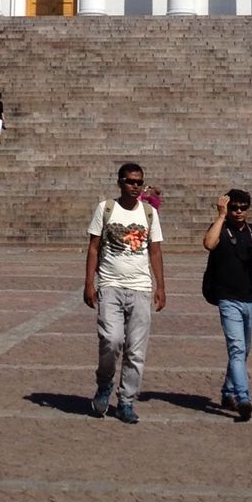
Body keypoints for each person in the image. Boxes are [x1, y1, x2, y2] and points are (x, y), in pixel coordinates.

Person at [84, 162, 166, 423]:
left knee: (136, 349)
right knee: (111, 340)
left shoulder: (150, 212)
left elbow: (155, 250)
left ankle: (127, 401)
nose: (135, 186)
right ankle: (105, 383)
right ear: (120, 182)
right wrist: (89, 283)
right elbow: (94, 247)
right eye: (130, 181)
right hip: (110, 285)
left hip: (140, 287)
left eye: (139, 182)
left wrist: (160, 286)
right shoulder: (106, 209)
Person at [202, 188, 252, 421]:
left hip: (251, 298)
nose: (239, 211)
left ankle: (228, 391)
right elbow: (209, 244)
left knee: (243, 351)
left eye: (243, 207)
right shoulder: (220, 228)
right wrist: (221, 216)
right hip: (228, 298)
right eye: (234, 207)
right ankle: (243, 398)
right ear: (228, 208)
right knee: (237, 349)